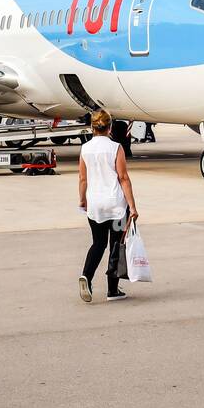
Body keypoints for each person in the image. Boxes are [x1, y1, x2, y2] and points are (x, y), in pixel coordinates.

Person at [77, 110, 139, 303]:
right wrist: (133, 206)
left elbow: (82, 178)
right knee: (115, 245)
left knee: (98, 243)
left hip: (95, 204)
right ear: (110, 127)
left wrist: (82, 200)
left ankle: (86, 276)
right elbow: (123, 178)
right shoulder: (116, 147)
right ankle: (112, 290)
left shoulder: (85, 148)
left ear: (92, 127)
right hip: (116, 206)